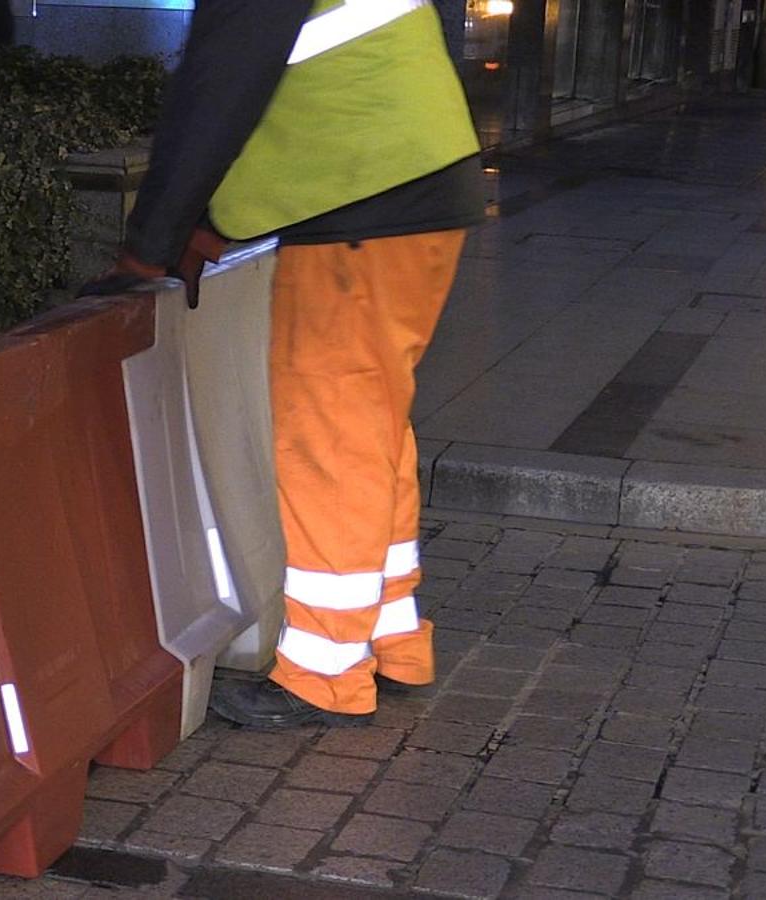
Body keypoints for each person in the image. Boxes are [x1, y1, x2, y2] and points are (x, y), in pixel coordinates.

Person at [81, 0, 484, 728]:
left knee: (331, 439)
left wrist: (152, 242)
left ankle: (325, 675)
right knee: (373, 424)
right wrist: (210, 229)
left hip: (359, 201)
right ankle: (394, 639)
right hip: (419, 188)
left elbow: (218, 90)